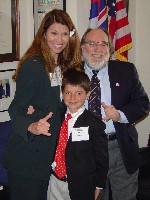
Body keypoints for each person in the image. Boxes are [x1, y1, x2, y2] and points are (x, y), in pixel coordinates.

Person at [4, 9, 82, 200]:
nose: (60, 39)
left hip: (50, 155)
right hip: (27, 158)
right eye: (54, 33)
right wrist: (32, 125)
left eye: (65, 34)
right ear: (44, 34)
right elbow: (15, 109)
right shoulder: (34, 65)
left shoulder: (64, 65)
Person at [81, 28, 149, 200]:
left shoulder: (126, 70)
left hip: (120, 147)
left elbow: (142, 103)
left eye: (103, 44)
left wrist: (120, 114)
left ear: (110, 49)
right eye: (92, 43)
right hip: (87, 150)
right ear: (82, 48)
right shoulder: (71, 74)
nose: (98, 49)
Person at [47, 69, 109, 200]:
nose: (73, 98)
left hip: (80, 185)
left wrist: (99, 185)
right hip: (54, 180)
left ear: (88, 95)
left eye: (79, 93)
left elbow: (101, 159)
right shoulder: (56, 117)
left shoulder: (94, 124)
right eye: (68, 93)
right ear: (62, 94)